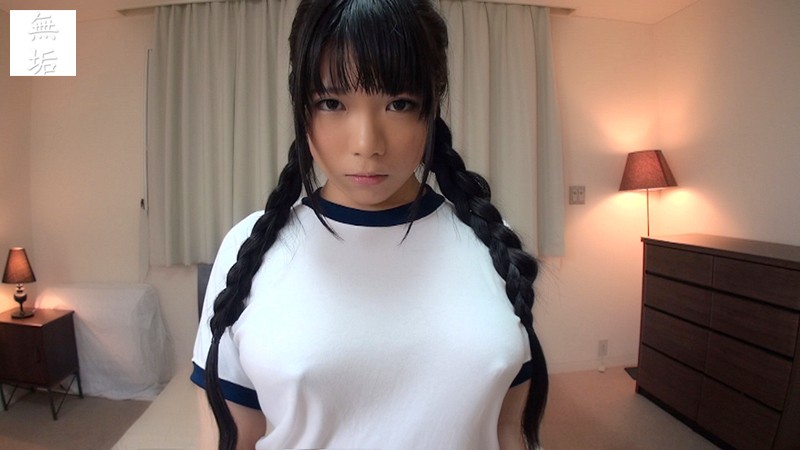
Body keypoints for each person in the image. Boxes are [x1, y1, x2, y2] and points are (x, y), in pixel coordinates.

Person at [191, 0, 548, 449]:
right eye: (332, 103)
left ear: (431, 107)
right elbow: (229, 436)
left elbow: (508, 428)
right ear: (302, 109)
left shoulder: (490, 243)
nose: (367, 144)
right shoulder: (249, 246)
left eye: (398, 103)